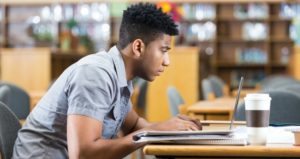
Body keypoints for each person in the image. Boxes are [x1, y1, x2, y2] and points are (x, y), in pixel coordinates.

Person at [13, 3, 202, 159]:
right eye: (163, 50)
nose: (167, 61)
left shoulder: (119, 75)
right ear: (138, 47)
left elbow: (134, 124)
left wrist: (172, 129)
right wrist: (152, 133)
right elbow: (82, 154)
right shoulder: (95, 74)